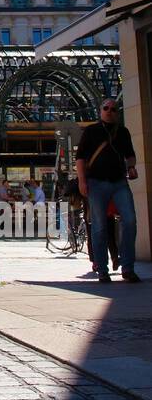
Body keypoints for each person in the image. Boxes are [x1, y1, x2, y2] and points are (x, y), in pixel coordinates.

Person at [76, 99, 139, 283]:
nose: (109, 111)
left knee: (130, 220)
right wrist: (82, 181)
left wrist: (132, 166)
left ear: (117, 113)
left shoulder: (123, 132)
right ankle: (102, 269)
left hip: (119, 182)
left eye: (113, 109)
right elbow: (80, 158)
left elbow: (130, 155)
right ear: (100, 111)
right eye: (106, 108)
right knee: (99, 226)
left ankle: (128, 268)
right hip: (96, 183)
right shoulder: (91, 131)